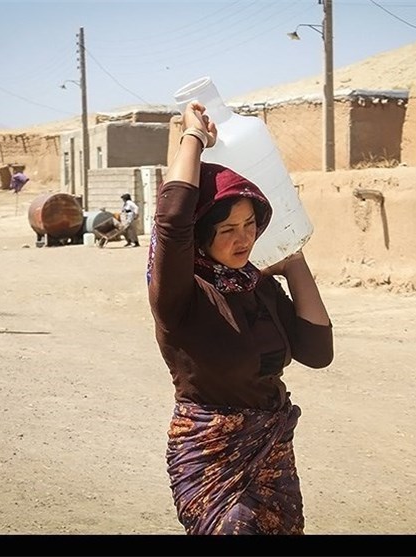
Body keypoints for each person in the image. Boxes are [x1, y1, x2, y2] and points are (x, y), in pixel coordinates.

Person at [146, 101, 333, 535]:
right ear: (201, 232)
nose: (244, 238)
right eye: (227, 229)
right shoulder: (180, 295)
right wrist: (192, 135)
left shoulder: (255, 286)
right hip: (211, 456)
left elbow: (317, 352)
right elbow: (172, 219)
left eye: (250, 224)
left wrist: (294, 262)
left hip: (271, 453)